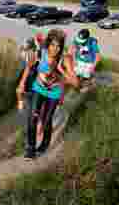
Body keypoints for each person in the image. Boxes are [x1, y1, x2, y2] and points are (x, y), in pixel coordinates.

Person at [17, 29, 78, 160]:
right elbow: (29, 67)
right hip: (38, 89)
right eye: (52, 45)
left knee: (46, 121)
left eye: (58, 46)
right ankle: (30, 149)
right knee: (33, 118)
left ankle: (44, 145)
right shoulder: (41, 53)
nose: (55, 49)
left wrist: (60, 72)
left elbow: (75, 83)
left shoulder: (64, 59)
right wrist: (21, 83)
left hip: (53, 94)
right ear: (48, 44)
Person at [70, 28, 102, 93]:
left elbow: (98, 56)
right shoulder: (76, 40)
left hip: (89, 62)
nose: (80, 43)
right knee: (77, 74)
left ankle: (85, 86)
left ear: (88, 38)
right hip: (79, 60)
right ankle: (77, 85)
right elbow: (74, 49)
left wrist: (93, 66)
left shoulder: (92, 42)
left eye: (83, 41)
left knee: (86, 77)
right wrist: (74, 59)